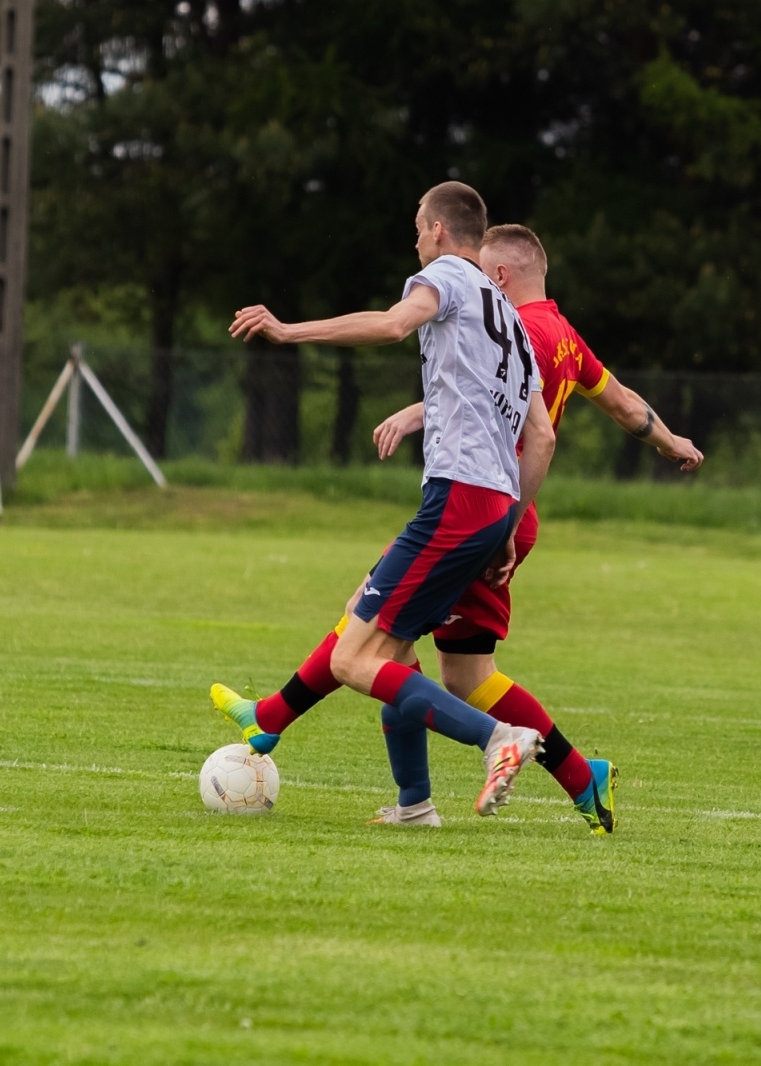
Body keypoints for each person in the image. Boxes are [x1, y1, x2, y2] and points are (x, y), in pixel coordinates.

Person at [213, 181, 555, 826]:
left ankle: (497, 738)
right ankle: (413, 804)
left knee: (352, 658)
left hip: (457, 500)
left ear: (439, 232)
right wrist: (508, 522)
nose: (416, 238)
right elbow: (541, 436)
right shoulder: (509, 319)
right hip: (489, 507)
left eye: (418, 226)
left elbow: (395, 324)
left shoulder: (448, 274)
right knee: (383, 642)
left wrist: (288, 332)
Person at [365, 223, 705, 832]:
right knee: (464, 672)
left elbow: (483, 390)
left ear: (497, 277)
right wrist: (671, 440)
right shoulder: (566, 334)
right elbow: (624, 404)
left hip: (489, 508)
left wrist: (416, 415)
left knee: (371, 635)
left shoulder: (520, 329)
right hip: (508, 511)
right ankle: (579, 777)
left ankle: (281, 725)